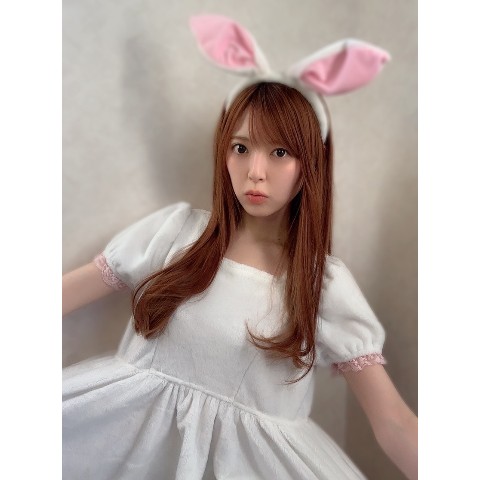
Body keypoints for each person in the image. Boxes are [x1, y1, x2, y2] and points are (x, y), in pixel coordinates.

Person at [63, 14, 417, 480]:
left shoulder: (321, 286)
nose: (255, 172)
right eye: (242, 148)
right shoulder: (175, 234)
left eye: (280, 152)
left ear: (309, 165)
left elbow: (393, 422)